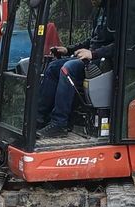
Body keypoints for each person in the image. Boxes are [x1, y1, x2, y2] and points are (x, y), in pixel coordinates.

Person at [37, 0, 123, 138]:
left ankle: (60, 123)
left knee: (68, 69)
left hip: (107, 60)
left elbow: (125, 43)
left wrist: (94, 54)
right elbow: (93, 40)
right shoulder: (102, 10)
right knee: (53, 67)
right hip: (94, 56)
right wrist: (68, 49)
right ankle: (39, 118)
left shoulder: (122, 10)